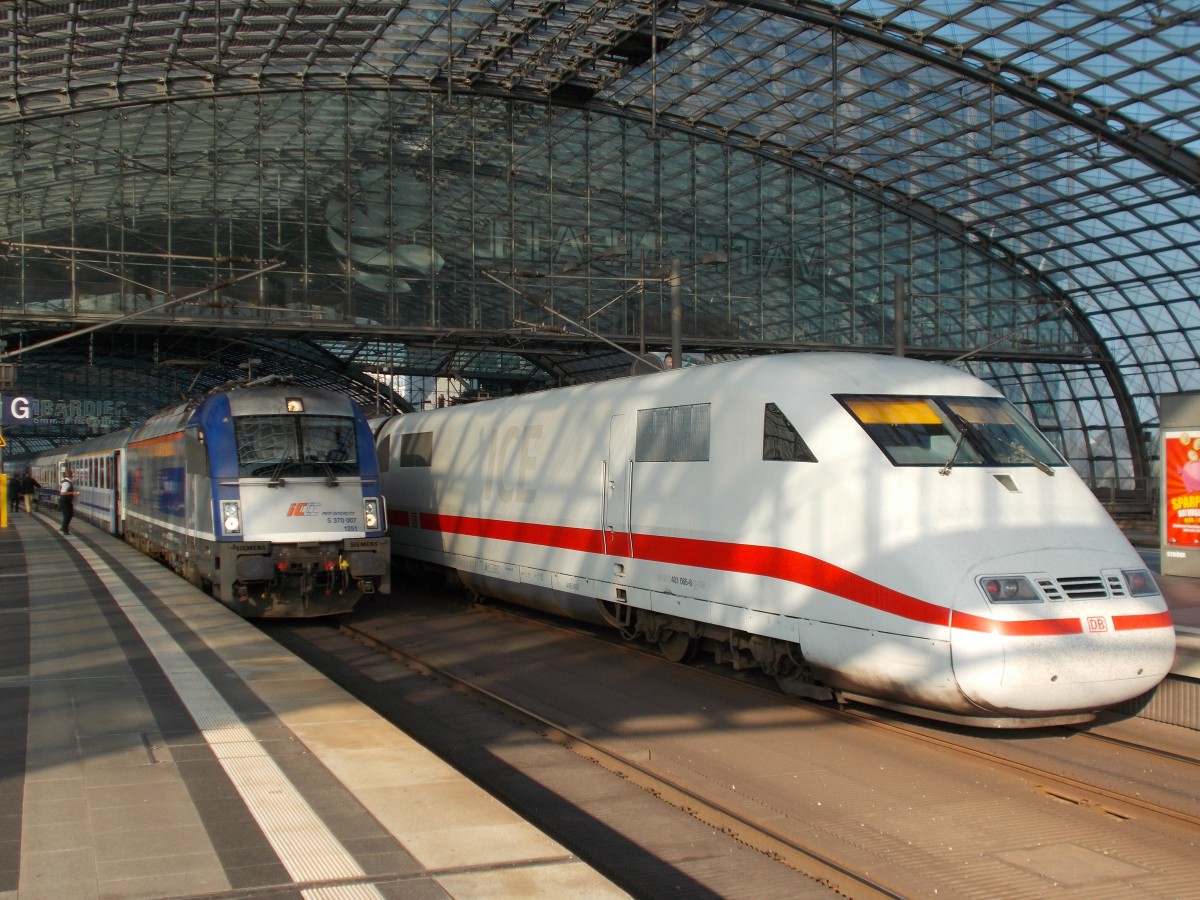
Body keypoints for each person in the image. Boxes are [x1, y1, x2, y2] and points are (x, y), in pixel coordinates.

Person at [59, 470, 77, 535]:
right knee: (67, 515)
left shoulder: (68, 482)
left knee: (69, 514)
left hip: (66, 501)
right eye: (72, 474)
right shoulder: (66, 483)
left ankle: (63, 528)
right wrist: (73, 493)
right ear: (70, 475)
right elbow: (62, 492)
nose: (73, 475)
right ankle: (64, 529)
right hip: (64, 501)